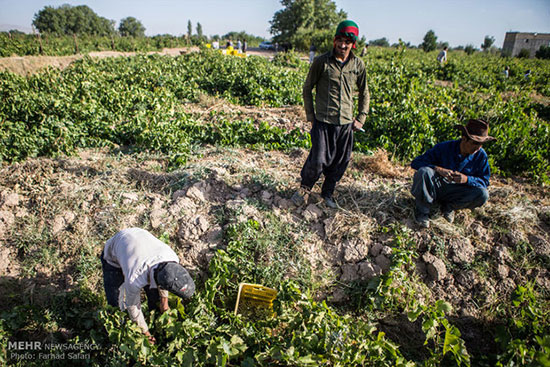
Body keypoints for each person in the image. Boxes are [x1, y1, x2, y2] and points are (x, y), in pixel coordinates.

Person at [293, 20, 369, 209]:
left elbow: (364, 92)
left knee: (340, 162)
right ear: (334, 40)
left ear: (353, 45)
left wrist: (361, 118)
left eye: (347, 42)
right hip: (323, 121)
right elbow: (307, 87)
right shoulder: (322, 62)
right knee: (318, 160)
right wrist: (310, 116)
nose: (342, 45)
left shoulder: (358, 65)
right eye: (340, 40)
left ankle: (327, 193)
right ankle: (304, 189)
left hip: (345, 123)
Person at [101, 228, 195, 344]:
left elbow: (167, 279)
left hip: (138, 241)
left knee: (155, 297)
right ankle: (119, 331)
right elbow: (133, 306)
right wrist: (145, 333)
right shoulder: (135, 278)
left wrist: (164, 304)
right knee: (116, 303)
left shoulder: (172, 258)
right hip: (114, 253)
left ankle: (152, 317)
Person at [410, 119, 496, 228]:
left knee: (483, 194)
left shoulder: (481, 156)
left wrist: (466, 179)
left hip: (456, 192)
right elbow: (416, 162)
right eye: (475, 143)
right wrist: (438, 169)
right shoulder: (444, 147)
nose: (478, 147)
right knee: (424, 172)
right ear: (464, 139)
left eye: (481, 144)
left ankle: (448, 207)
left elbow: (484, 181)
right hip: (437, 187)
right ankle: (422, 211)